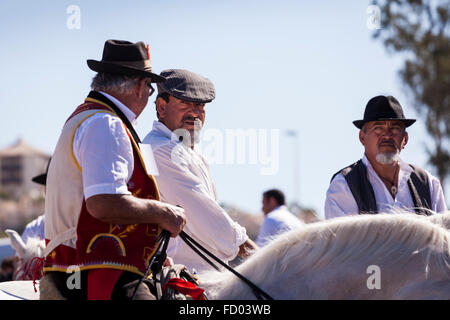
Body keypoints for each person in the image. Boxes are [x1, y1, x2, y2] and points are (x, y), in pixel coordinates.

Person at [43, 40, 186, 300]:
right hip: (103, 273)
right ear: (141, 86)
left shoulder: (86, 118)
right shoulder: (106, 124)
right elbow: (103, 203)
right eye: (150, 88)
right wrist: (163, 213)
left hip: (74, 273)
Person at [143, 69, 257, 274]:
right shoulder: (162, 151)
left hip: (196, 276)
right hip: (184, 279)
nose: (195, 112)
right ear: (161, 107)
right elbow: (211, 221)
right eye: (185, 103)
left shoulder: (181, 150)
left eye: (200, 105)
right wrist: (264, 260)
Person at [325, 95, 447, 219]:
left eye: (395, 128)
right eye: (378, 128)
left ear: (405, 139)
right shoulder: (344, 186)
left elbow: (443, 235)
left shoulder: (428, 184)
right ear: (362, 138)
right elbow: (342, 238)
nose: (387, 135)